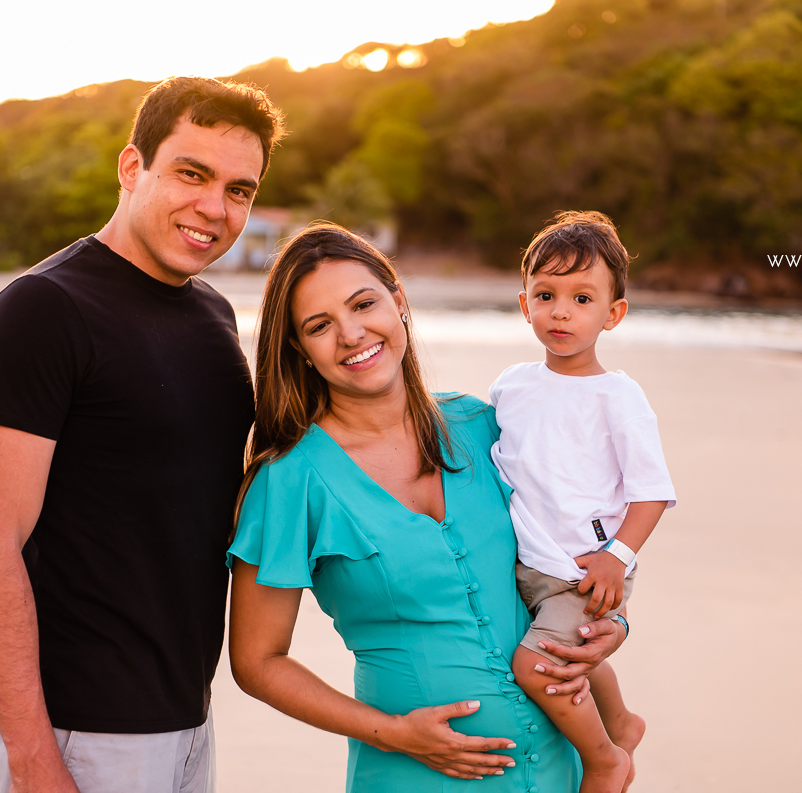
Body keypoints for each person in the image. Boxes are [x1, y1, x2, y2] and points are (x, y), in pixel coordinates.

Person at [0, 76, 285, 793]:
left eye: (238, 189)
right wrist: (32, 758)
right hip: (78, 734)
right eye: (191, 174)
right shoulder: (44, 310)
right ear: (133, 167)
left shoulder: (215, 318)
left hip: (186, 723)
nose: (215, 208)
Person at [228, 223, 628, 792]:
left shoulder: (485, 426)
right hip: (412, 776)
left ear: (399, 301)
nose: (351, 334)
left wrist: (612, 623)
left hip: (560, 772)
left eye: (363, 304)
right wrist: (393, 733)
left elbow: (576, 540)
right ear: (300, 349)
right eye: (319, 325)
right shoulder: (288, 481)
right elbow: (257, 662)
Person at [492, 211, 676, 793]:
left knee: (538, 665)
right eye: (545, 295)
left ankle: (603, 758)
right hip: (527, 563)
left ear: (612, 314)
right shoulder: (511, 386)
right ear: (524, 304)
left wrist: (616, 557)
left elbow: (651, 492)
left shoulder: (617, 397)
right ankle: (622, 723)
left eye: (581, 298)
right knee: (575, 658)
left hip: (585, 571)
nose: (561, 312)